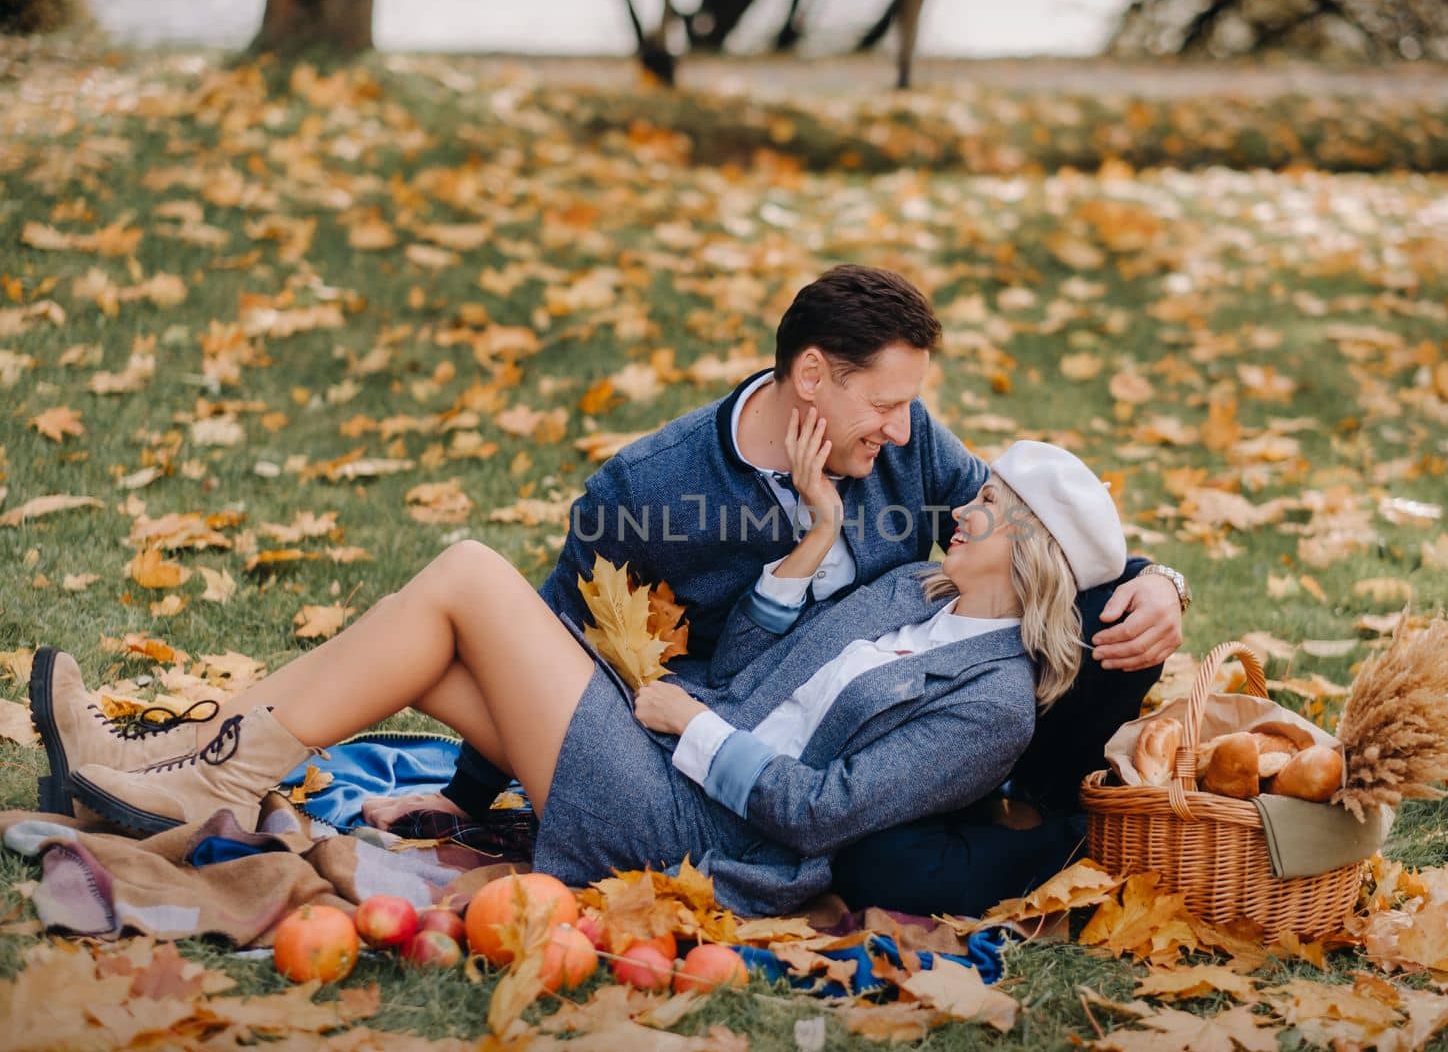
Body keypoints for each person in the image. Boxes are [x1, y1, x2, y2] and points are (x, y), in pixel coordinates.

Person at [368, 264, 1186, 913]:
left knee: (460, 582)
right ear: (811, 376)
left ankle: (238, 749)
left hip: (733, 791)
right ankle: (239, 749)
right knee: (426, 622)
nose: (904, 429)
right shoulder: (661, 488)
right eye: (886, 402)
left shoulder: (912, 453)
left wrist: (1162, 580)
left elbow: (1052, 546)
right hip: (675, 737)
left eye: (909, 404)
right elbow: (562, 617)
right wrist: (466, 793)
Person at [36, 434, 1126, 916]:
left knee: (466, 573)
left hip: (702, 837)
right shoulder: (915, 593)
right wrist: (809, 547)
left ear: (1028, 553)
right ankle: (171, 769)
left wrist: (687, 727)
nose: (961, 510)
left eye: (985, 509)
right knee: (427, 637)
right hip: (658, 750)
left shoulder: (991, 708)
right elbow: (750, 668)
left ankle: (192, 774)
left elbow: (821, 812)